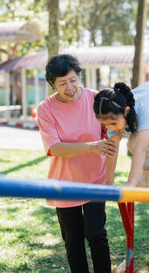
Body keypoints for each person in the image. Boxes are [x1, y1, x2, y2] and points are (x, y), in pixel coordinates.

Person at [37, 54, 116, 273]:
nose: (69, 87)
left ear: (79, 76)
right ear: (53, 84)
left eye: (73, 80)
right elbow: (54, 148)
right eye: (62, 83)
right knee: (73, 241)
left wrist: (110, 181)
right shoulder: (46, 109)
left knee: (95, 232)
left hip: (95, 181)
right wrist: (90, 146)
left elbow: (112, 140)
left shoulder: (96, 99)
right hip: (64, 185)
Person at [93, 81, 149, 189]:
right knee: (133, 144)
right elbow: (112, 149)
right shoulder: (115, 113)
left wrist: (130, 184)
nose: (111, 128)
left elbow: (142, 148)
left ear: (126, 111)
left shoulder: (144, 109)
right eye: (106, 125)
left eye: (113, 124)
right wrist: (109, 183)